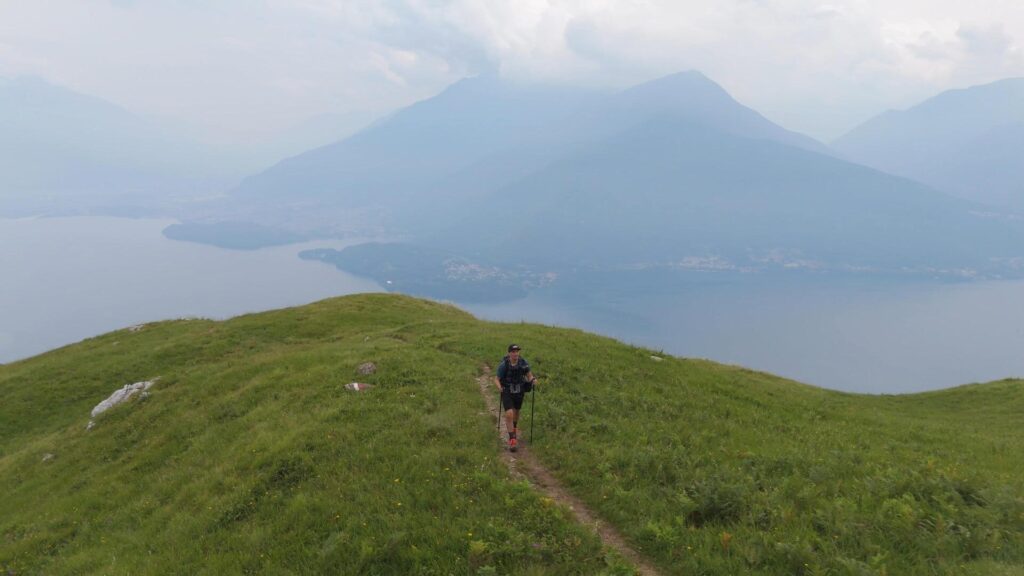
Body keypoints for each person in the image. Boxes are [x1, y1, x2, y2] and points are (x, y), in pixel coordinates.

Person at [494, 344, 538, 452]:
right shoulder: (504, 365)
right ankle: (512, 439)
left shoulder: (523, 363)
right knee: (509, 413)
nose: (515, 353)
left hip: (519, 391)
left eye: (517, 351)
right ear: (509, 353)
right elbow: (496, 379)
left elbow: (529, 375)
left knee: (516, 412)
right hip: (507, 391)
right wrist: (499, 387)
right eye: (513, 351)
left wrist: (533, 380)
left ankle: (514, 428)